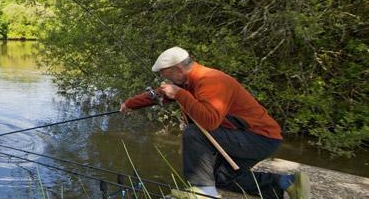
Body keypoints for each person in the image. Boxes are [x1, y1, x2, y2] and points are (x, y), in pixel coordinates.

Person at [119, 47, 310, 199]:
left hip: (260, 138)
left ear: (178, 69)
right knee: (222, 177)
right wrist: (130, 104)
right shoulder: (187, 82)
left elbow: (209, 122)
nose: (164, 78)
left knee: (194, 132)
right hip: (247, 137)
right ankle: (287, 183)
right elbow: (158, 95)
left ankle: (203, 192)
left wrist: (179, 94)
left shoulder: (211, 81)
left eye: (165, 74)